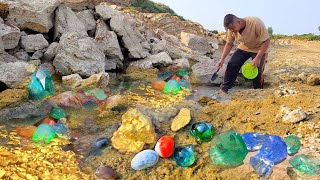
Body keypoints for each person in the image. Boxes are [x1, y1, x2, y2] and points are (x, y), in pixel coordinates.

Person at [217, 14, 270, 94]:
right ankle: (224, 89)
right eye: (229, 29)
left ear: (238, 22)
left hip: (259, 48)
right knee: (232, 64)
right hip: (244, 47)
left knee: (257, 70)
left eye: (233, 28)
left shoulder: (255, 22)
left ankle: (258, 91)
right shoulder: (231, 30)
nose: (232, 31)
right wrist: (222, 59)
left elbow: (266, 41)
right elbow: (229, 44)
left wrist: (258, 57)